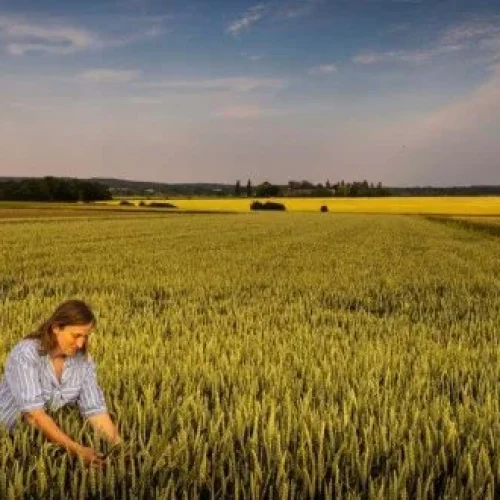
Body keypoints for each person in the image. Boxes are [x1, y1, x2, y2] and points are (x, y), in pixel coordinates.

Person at [0, 299, 122, 468]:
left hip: (38, 444)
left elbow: (95, 410)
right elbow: (34, 416)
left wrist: (120, 449)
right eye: (75, 335)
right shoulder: (26, 354)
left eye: (85, 337)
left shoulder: (83, 362)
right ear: (56, 327)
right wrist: (78, 451)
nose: (81, 344)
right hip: (5, 436)